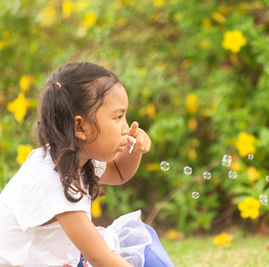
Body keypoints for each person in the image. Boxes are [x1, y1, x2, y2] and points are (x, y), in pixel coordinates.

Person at [0, 62, 174, 267]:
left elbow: (119, 173)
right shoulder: (53, 182)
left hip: (64, 259)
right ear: (80, 126)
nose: (127, 129)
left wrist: (133, 150)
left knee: (141, 239)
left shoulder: (74, 157)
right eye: (118, 117)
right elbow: (100, 258)